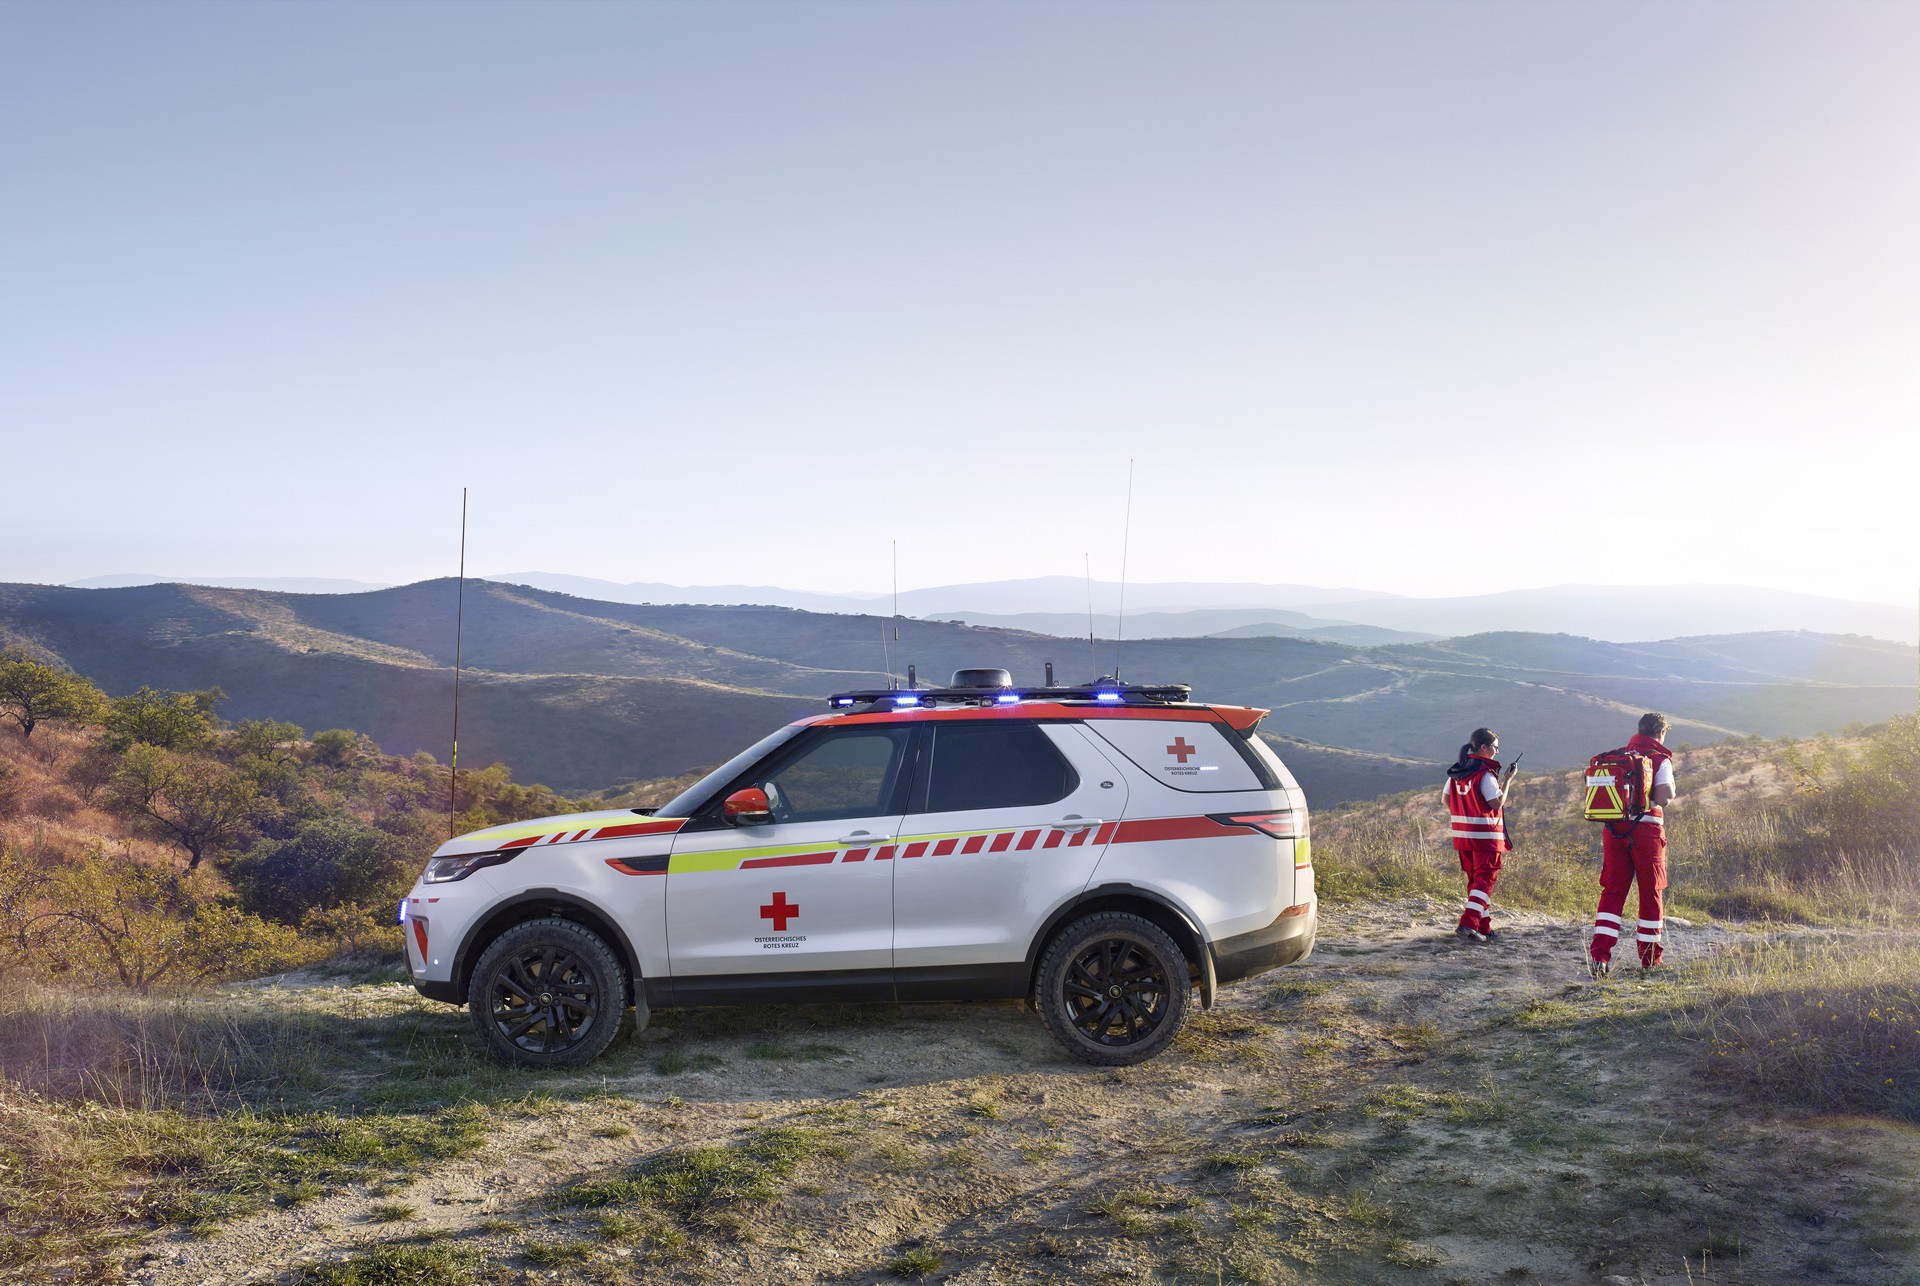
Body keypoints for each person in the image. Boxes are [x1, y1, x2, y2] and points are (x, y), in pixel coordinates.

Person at [1588, 712, 1678, 977]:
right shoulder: (1660, 759)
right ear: (1661, 733)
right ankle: (1650, 960)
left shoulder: (1618, 756)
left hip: (1614, 831)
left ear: (1639, 730)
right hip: (1647, 832)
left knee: (1613, 891)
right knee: (1651, 892)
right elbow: (1663, 797)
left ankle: (1600, 956)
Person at [1443, 727, 1514, 942]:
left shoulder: (1457, 772)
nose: (1497, 752)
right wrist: (1508, 780)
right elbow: (1497, 803)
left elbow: (1446, 799)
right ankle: (1468, 923)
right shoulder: (1485, 774)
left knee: (1475, 882)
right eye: (1495, 747)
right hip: (1486, 837)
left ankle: (1483, 927)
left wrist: (1464, 814)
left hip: (1463, 836)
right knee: (1485, 881)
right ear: (1483, 747)